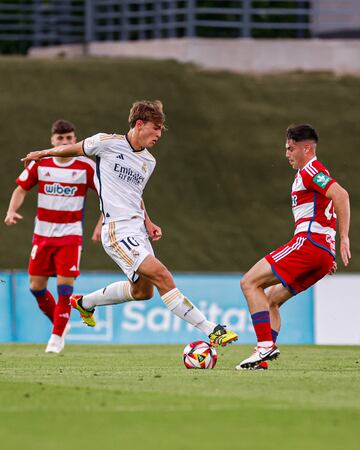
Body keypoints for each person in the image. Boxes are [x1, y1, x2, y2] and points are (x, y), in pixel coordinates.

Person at [21, 100, 238, 347]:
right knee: (162, 275)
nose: (158, 134)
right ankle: (212, 329)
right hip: (116, 230)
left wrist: (148, 221)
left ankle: (85, 303)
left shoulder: (149, 162)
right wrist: (43, 153)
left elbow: (134, 195)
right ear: (139, 124)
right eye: (155, 128)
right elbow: (73, 149)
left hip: (136, 229)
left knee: (143, 292)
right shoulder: (106, 143)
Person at [236, 124, 351, 370]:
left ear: (306, 148)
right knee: (271, 300)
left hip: (309, 244)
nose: (287, 154)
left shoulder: (311, 170)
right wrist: (329, 249)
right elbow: (325, 210)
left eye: (290, 148)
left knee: (249, 282)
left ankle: (264, 346)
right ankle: (262, 359)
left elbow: (341, 195)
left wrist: (344, 238)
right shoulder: (312, 173)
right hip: (321, 253)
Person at [5, 119, 102, 353]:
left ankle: (56, 337)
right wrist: (11, 210)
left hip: (70, 236)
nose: (65, 142)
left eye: (69, 138)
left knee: (64, 287)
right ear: (52, 140)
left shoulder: (86, 166)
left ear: (75, 139)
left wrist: (101, 223)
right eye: (60, 138)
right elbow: (21, 188)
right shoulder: (41, 164)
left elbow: (106, 196)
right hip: (42, 235)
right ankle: (61, 323)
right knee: (36, 287)